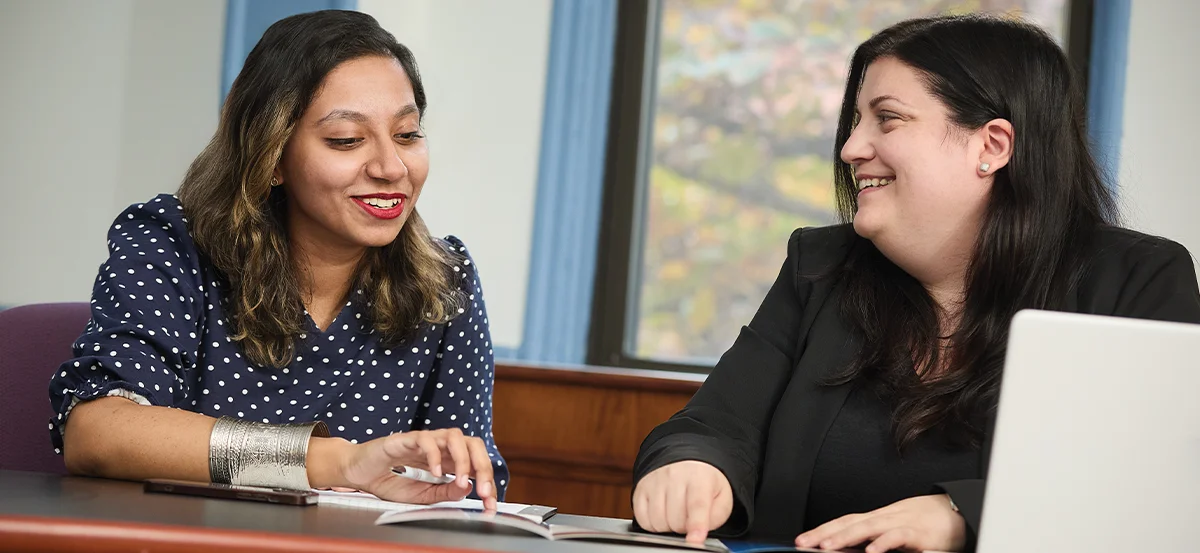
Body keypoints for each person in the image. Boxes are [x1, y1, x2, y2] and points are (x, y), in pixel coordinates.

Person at [631, 14, 1200, 553]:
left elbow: (1157, 486)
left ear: (991, 146)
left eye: (889, 118)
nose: (852, 148)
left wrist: (965, 515)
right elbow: (709, 427)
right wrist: (692, 465)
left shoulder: (1137, 282)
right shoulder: (819, 266)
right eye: (856, 121)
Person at [48, 10, 506, 507]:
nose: (391, 168)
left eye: (408, 134)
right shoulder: (171, 242)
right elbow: (98, 433)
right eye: (346, 140)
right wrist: (335, 463)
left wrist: (454, 481)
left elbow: (464, 481)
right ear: (271, 155)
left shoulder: (446, 280)